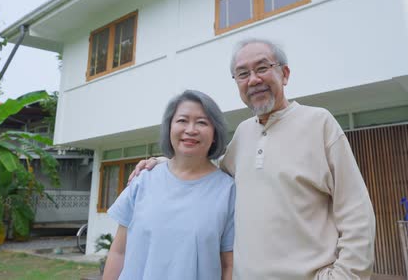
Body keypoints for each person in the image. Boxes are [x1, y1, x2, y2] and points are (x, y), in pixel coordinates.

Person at [131, 39, 376, 280]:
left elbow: (356, 212)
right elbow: (212, 170)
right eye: (242, 74)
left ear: (285, 73)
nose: (253, 80)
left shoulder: (319, 123)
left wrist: (346, 275)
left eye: (262, 68)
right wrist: (168, 162)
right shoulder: (244, 134)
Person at [104, 90, 235, 280]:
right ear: (169, 128)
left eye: (202, 122)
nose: (191, 129)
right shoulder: (143, 180)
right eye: (182, 120)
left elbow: (228, 265)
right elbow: (119, 252)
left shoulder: (228, 191)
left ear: (215, 134)